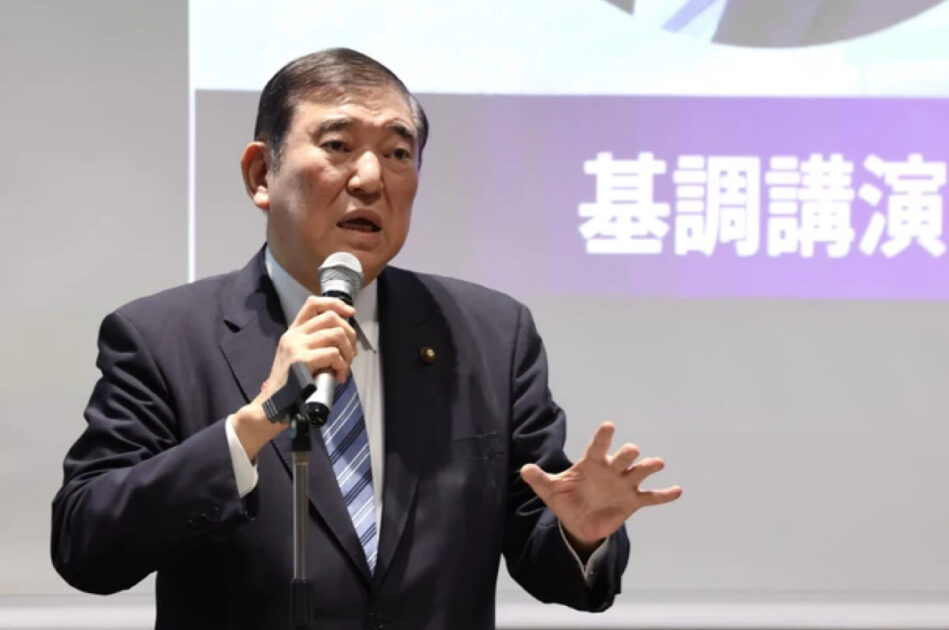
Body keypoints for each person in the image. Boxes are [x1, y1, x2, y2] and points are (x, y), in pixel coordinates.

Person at [51, 48, 681, 629]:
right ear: (261, 174)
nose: (371, 178)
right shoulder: (161, 338)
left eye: (399, 153)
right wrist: (251, 427)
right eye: (338, 145)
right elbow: (86, 546)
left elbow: (550, 556)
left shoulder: (490, 336)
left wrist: (581, 533)